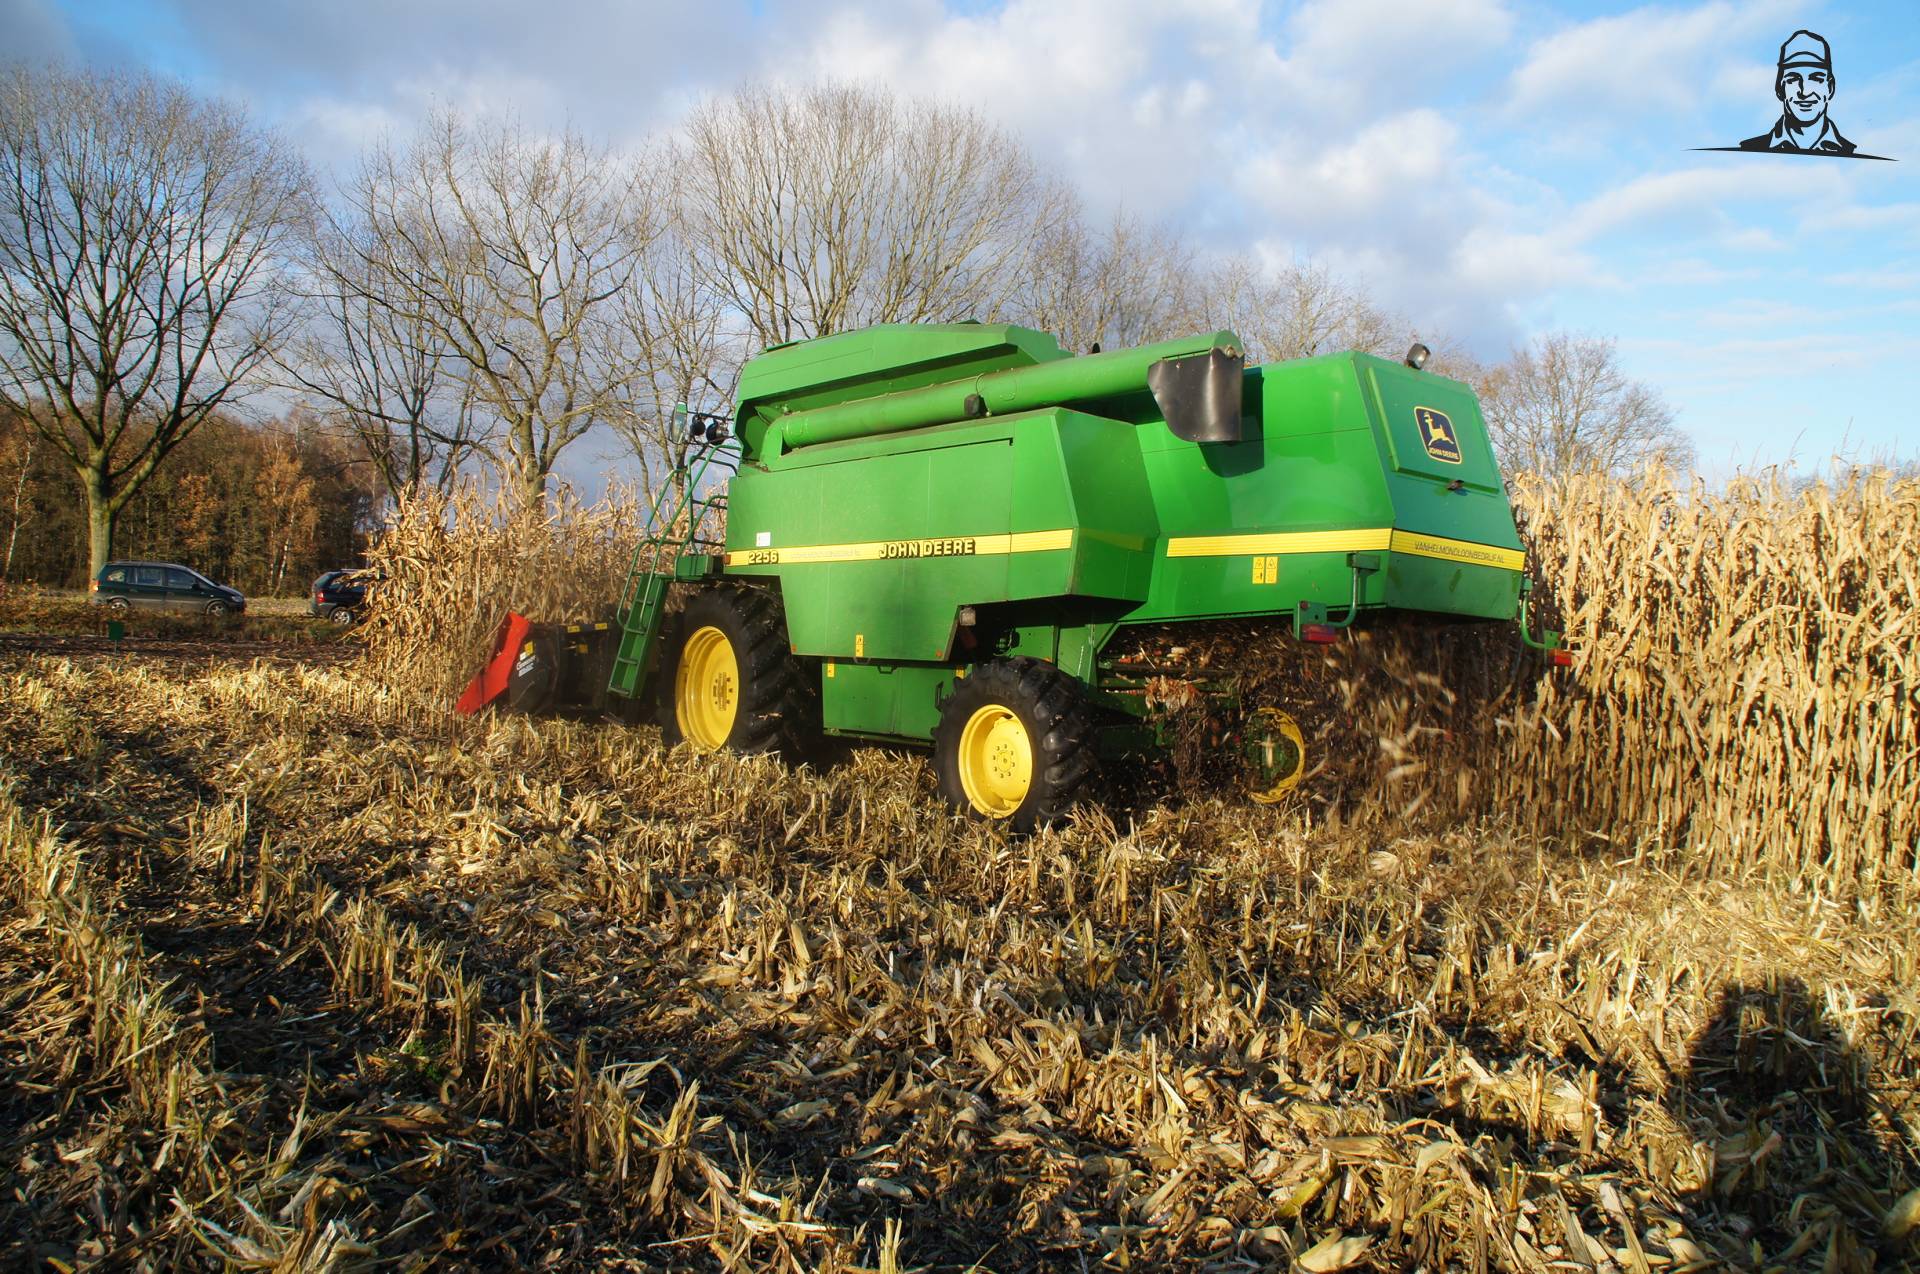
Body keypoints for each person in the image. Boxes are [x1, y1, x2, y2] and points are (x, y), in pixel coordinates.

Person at [1740, 30, 1855, 155]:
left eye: (1816, 79)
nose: (1804, 92)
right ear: (1779, 89)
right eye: (1793, 79)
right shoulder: (1748, 151)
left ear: (1830, 88)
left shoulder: (1852, 154)